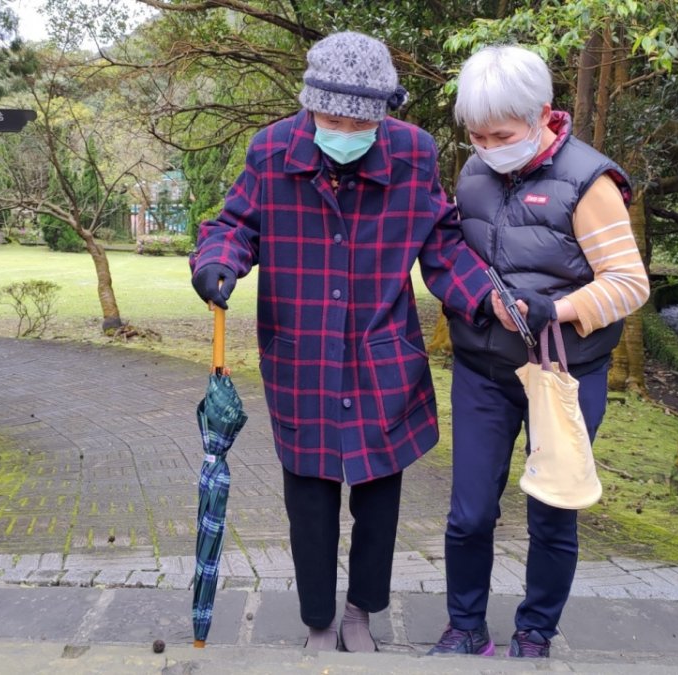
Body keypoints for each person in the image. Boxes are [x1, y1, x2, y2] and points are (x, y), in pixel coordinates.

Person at [189, 31, 494, 652]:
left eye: (361, 120)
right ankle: (319, 622)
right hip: (300, 356)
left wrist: (487, 297)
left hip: (382, 357)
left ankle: (362, 611)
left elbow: (442, 243)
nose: (345, 129)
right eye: (332, 117)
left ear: (382, 114)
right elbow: (234, 224)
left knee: (380, 498)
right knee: (310, 498)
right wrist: (217, 261)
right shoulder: (273, 150)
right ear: (309, 105)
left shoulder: (413, 154)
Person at [428, 45, 651, 658]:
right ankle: (465, 627)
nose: (487, 145)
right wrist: (476, 299)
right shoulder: (473, 173)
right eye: (475, 134)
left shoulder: (589, 181)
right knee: (469, 513)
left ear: (541, 116)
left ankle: (535, 633)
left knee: (553, 513)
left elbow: (631, 284)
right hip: (483, 370)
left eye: (500, 133)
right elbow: (457, 257)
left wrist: (560, 308)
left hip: (564, 375)